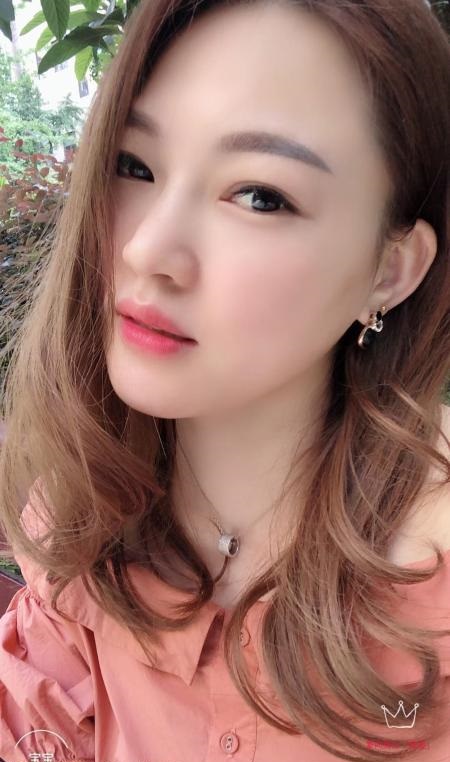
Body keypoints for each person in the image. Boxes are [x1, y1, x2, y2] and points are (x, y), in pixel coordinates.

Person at [0, 0, 449, 760]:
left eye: (260, 196)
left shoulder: (430, 610)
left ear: (389, 270)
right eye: (135, 166)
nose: (148, 250)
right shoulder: (81, 518)